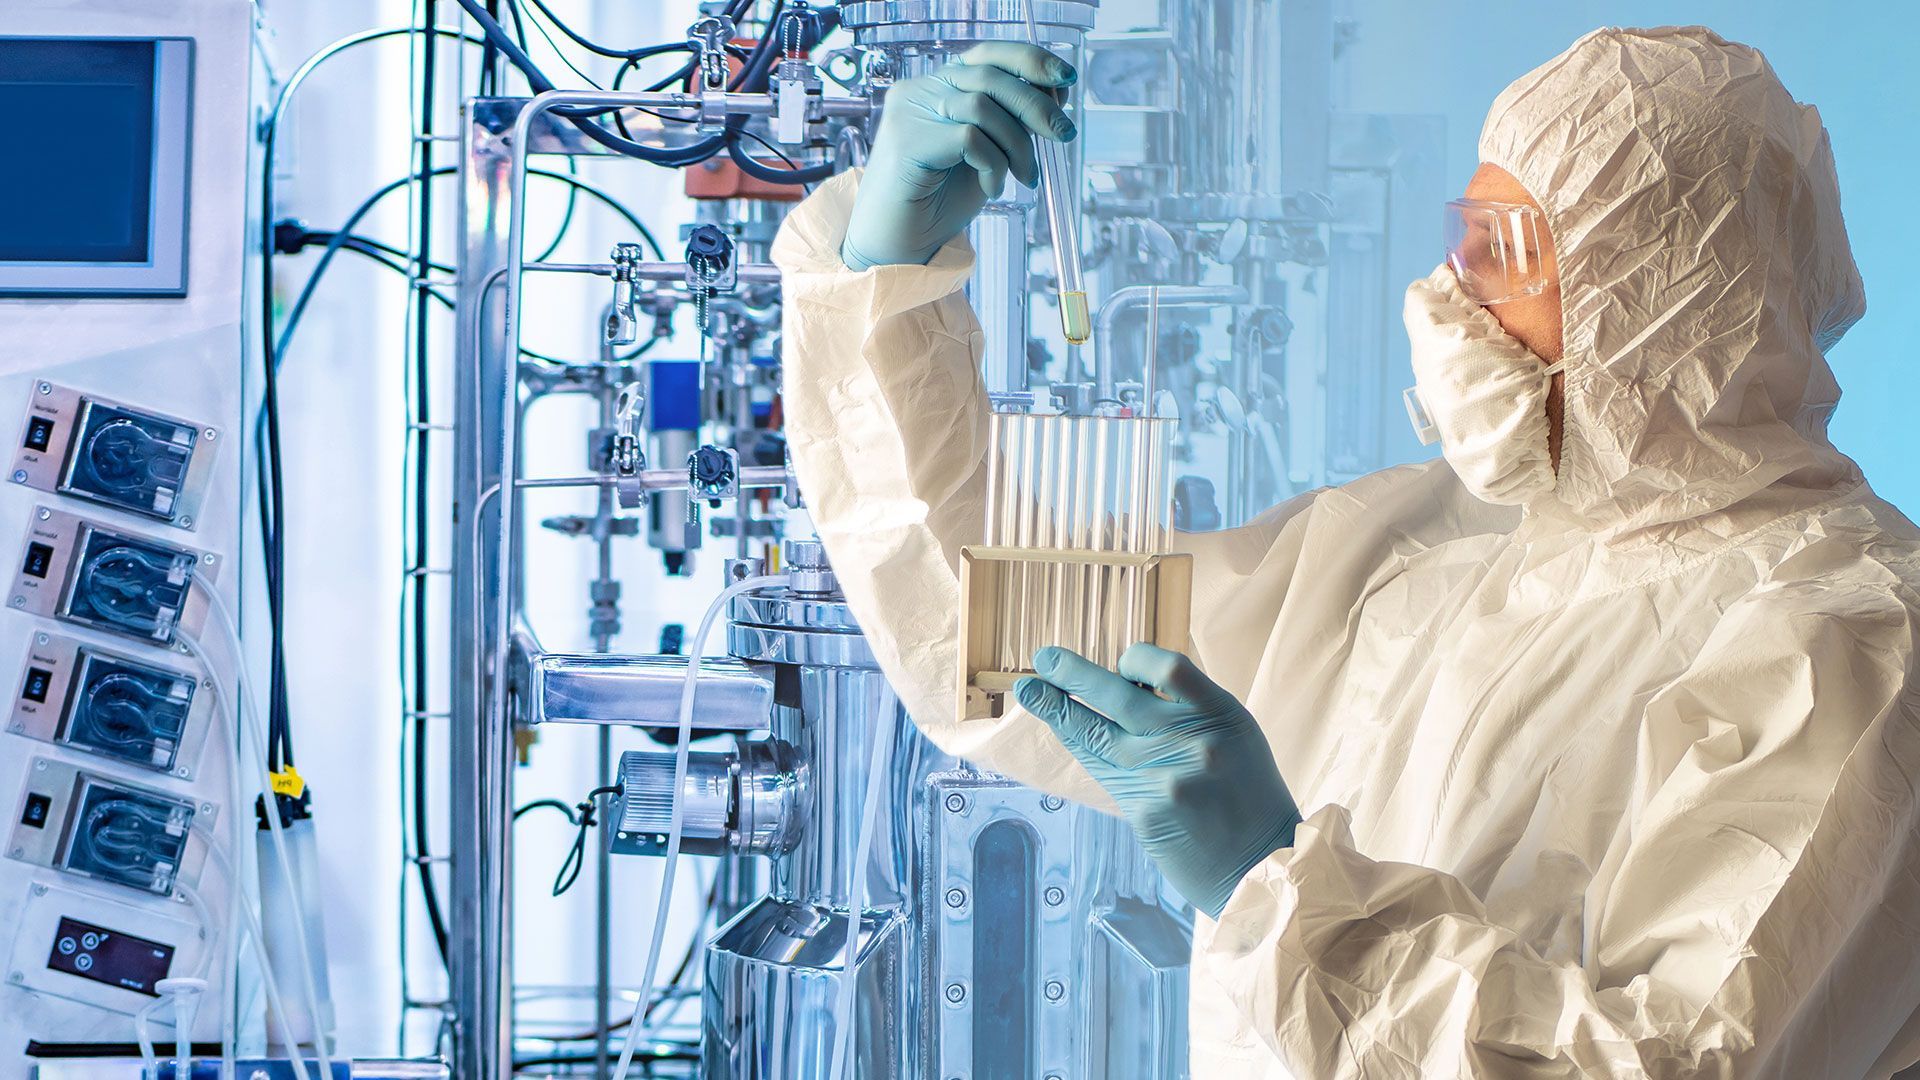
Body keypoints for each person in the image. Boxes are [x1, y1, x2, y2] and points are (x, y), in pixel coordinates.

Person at [774, 25, 1920, 1078]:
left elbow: (1669, 1062)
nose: (1446, 297)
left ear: (1668, 299)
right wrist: (884, 275)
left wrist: (1275, 885)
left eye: (1503, 252)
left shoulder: (1851, 639)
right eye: (1457, 240)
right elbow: (1013, 644)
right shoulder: (1441, 542)